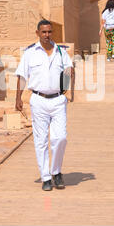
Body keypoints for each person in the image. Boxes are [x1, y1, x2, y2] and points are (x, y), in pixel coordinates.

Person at [15, 19, 75, 191]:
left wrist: (69, 91)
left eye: (49, 32)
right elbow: (22, 76)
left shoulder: (61, 52)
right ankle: (46, 177)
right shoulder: (30, 53)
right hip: (38, 100)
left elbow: (69, 71)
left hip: (57, 100)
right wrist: (18, 98)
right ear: (38, 33)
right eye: (44, 32)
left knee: (60, 138)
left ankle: (56, 171)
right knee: (40, 141)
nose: (47, 35)